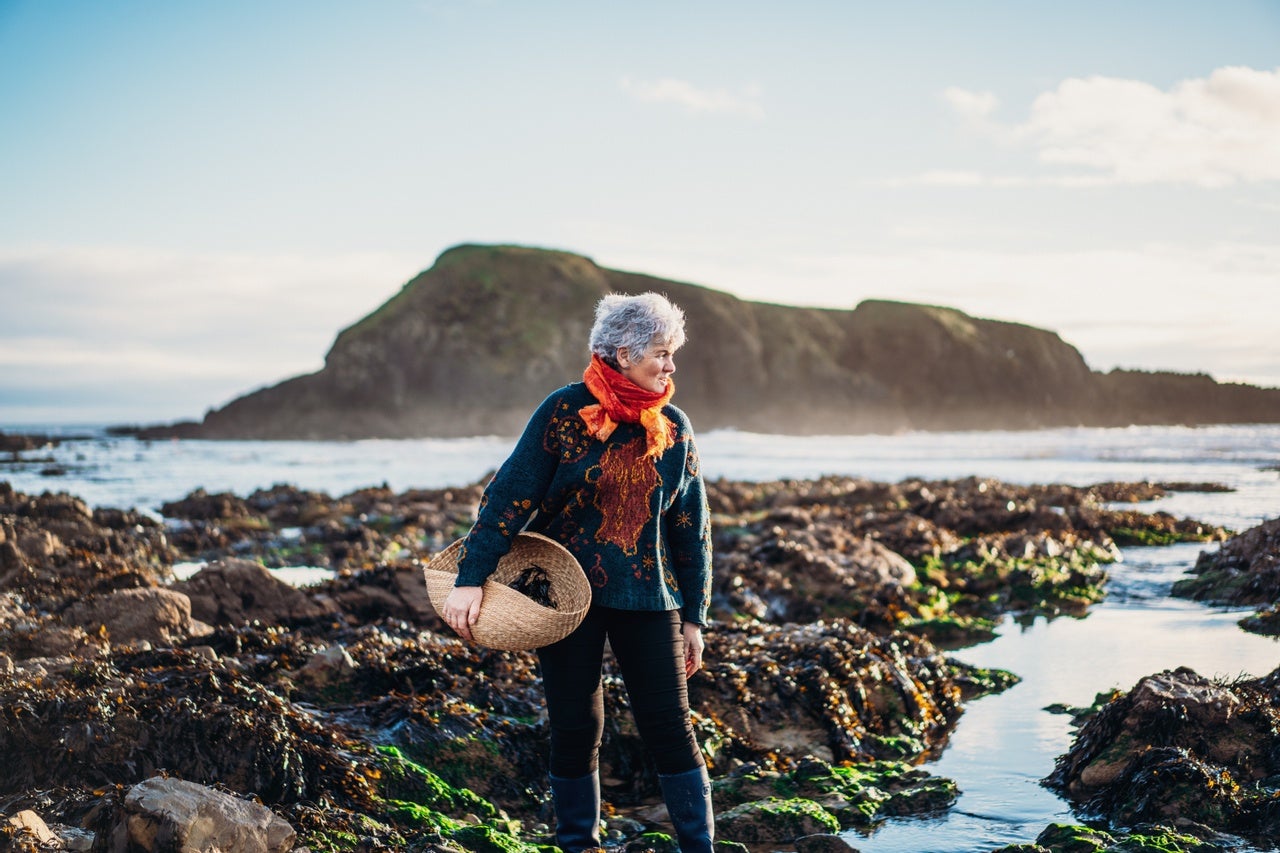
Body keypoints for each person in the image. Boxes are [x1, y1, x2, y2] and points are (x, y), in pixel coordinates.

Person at [441, 292, 714, 853]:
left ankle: (698, 847)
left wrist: (695, 616)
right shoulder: (564, 411)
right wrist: (470, 577)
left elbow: (690, 527)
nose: (670, 366)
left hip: (650, 597)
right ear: (622, 351)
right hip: (567, 598)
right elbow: (508, 499)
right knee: (575, 726)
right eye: (661, 353)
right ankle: (578, 846)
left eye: (671, 354)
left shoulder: (673, 426)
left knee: (669, 726)